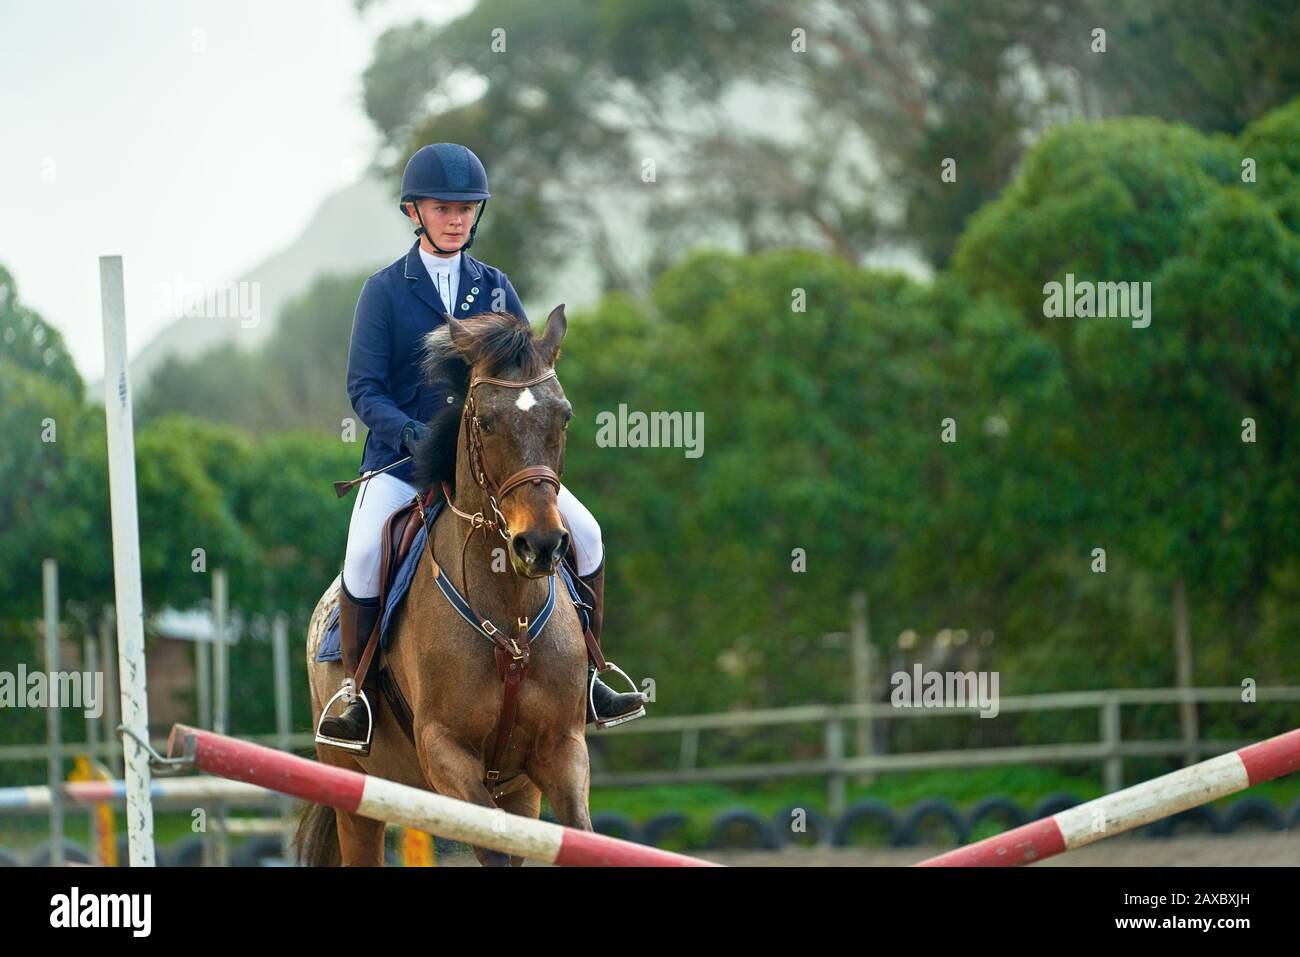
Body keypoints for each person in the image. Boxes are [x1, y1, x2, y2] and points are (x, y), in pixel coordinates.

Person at [318, 143, 647, 749]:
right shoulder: (385, 292)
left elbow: (531, 375)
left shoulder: (495, 287)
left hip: (496, 463)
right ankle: (355, 693)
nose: (457, 219)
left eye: (467, 209)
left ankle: (594, 673)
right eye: (444, 208)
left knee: (590, 533)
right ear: (414, 212)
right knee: (365, 552)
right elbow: (364, 388)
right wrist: (408, 432)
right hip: (404, 461)